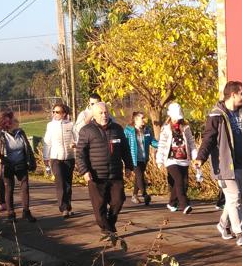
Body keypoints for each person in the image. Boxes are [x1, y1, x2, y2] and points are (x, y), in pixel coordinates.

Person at [195, 80, 242, 247]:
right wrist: (200, 158)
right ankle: (241, 233)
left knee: (233, 199)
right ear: (233, 95)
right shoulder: (216, 116)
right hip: (225, 166)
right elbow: (208, 139)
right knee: (235, 198)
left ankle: (223, 224)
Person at [75, 100, 133, 247]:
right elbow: (80, 153)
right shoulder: (87, 130)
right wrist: (85, 171)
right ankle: (106, 230)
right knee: (99, 206)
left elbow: (125, 149)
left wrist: (129, 167)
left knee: (118, 200)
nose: (104, 115)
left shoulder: (117, 129)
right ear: (94, 115)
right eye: (100, 113)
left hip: (115, 174)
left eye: (106, 112)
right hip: (96, 176)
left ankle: (111, 222)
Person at [0, 111, 37, 222]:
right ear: (8, 123)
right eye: (14, 120)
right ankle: (10, 214)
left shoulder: (21, 132)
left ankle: (26, 212)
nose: (17, 121)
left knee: (25, 187)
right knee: (9, 188)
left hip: (21, 163)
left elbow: (27, 147)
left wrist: (31, 161)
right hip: (7, 165)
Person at [157, 101, 196, 213]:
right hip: (171, 159)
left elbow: (191, 142)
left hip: (184, 159)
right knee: (178, 179)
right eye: (174, 117)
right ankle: (184, 204)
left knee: (183, 183)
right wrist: (159, 160)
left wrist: (195, 156)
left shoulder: (186, 127)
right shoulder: (166, 128)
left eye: (178, 117)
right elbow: (162, 144)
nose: (176, 120)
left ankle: (171, 203)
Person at [42, 103, 77, 217]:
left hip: (69, 157)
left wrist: (75, 145)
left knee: (68, 183)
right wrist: (46, 158)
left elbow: (78, 139)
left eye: (57, 112)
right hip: (55, 157)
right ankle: (63, 208)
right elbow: (47, 142)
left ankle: (68, 206)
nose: (55, 114)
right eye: (54, 112)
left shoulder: (71, 125)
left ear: (64, 113)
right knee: (60, 182)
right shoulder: (50, 126)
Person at [123, 111, 157, 205]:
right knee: (140, 176)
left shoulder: (147, 130)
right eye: (142, 118)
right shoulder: (128, 130)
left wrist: (162, 146)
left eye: (144, 118)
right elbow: (123, 143)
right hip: (133, 158)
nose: (144, 120)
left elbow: (152, 141)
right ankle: (145, 195)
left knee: (138, 178)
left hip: (144, 158)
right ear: (136, 120)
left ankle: (134, 195)